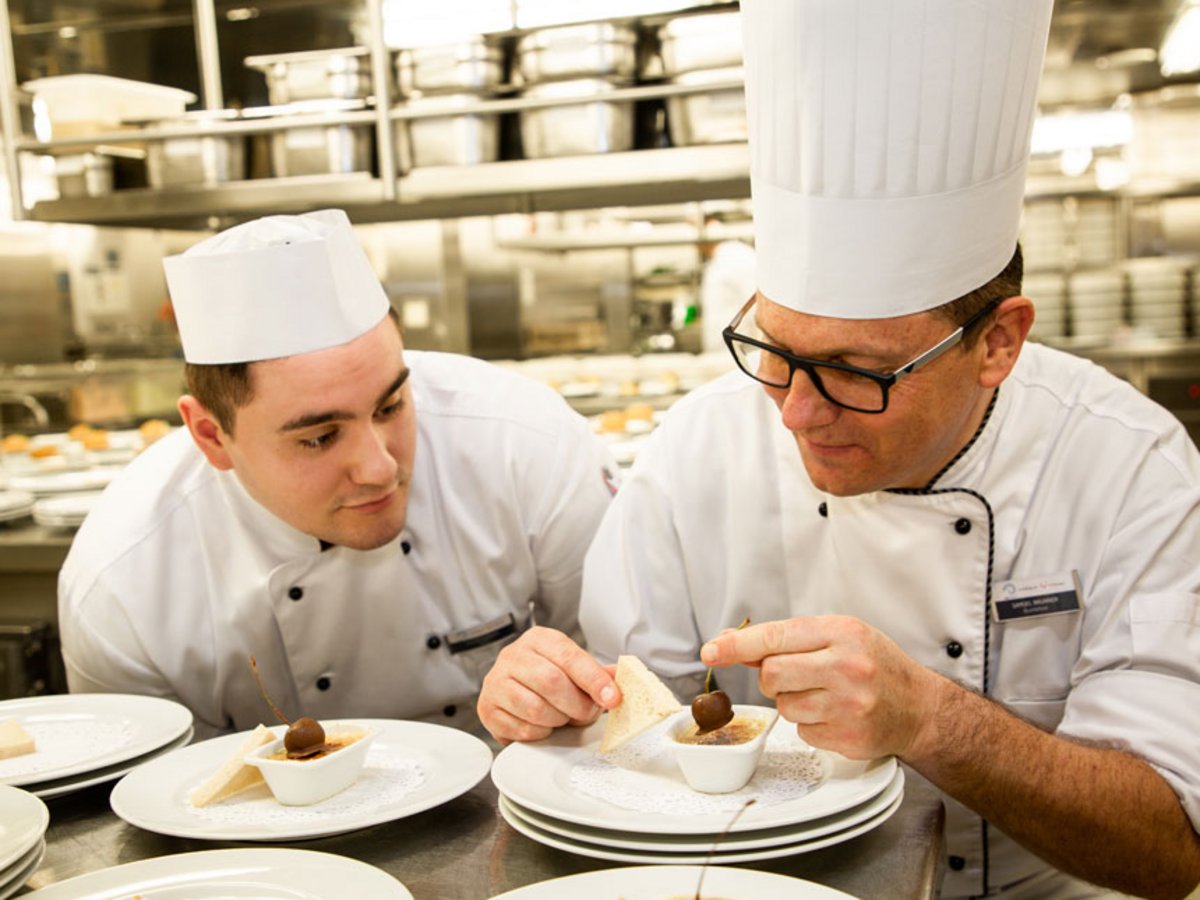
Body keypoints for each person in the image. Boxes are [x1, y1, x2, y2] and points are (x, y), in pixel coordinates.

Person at [477, 1, 1200, 897]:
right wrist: (553, 711)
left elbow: (1171, 846)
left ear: (998, 344)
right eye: (776, 353)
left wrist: (933, 719)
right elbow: (627, 750)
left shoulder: (1128, 464)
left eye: (859, 372)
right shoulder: (697, 450)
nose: (796, 413)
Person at [59, 209, 617, 740]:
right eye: (319, 437)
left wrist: (570, 698)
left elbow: (635, 683)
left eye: (392, 405)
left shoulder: (526, 441)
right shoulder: (122, 583)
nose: (380, 468)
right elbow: (152, 807)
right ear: (211, 436)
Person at [697, 223, 756, 355]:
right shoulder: (719, 259)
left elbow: (755, 303)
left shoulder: (737, 256)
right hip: (723, 346)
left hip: (739, 346)